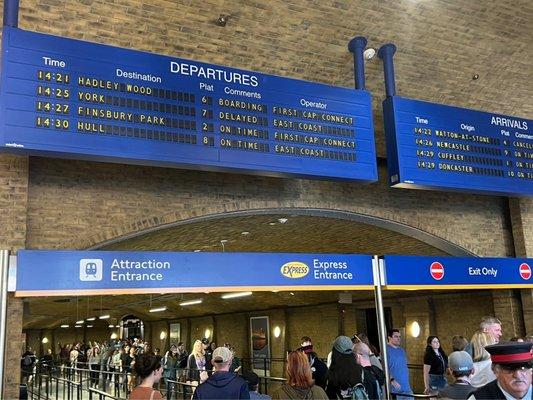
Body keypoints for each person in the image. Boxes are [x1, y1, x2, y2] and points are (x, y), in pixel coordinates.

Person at [386, 328, 413, 398]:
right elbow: (383, 368)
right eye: (396, 336)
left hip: (406, 387)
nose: (399, 339)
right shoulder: (385, 350)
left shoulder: (401, 350)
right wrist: (392, 380)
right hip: (395, 388)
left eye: (399, 337)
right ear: (389, 338)